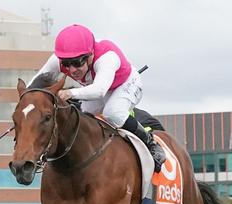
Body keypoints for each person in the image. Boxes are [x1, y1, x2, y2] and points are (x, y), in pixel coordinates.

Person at [30, 24, 166, 172]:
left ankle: (151, 144)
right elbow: (35, 83)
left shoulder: (107, 57)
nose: (72, 70)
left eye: (77, 63)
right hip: (99, 87)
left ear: (90, 55)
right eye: (66, 64)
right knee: (79, 117)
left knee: (113, 112)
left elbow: (100, 91)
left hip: (126, 85)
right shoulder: (57, 59)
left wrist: (70, 93)